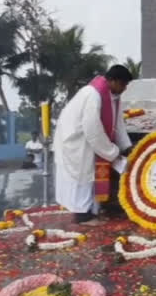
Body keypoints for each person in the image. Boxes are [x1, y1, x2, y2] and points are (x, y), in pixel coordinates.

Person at [53, 65, 134, 225]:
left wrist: (126, 147)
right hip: (78, 140)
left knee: (94, 175)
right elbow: (92, 128)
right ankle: (82, 215)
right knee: (84, 175)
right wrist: (112, 152)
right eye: (123, 85)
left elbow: (117, 124)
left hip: (90, 141)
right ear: (113, 81)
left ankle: (92, 211)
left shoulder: (112, 96)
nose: (124, 89)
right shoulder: (93, 94)